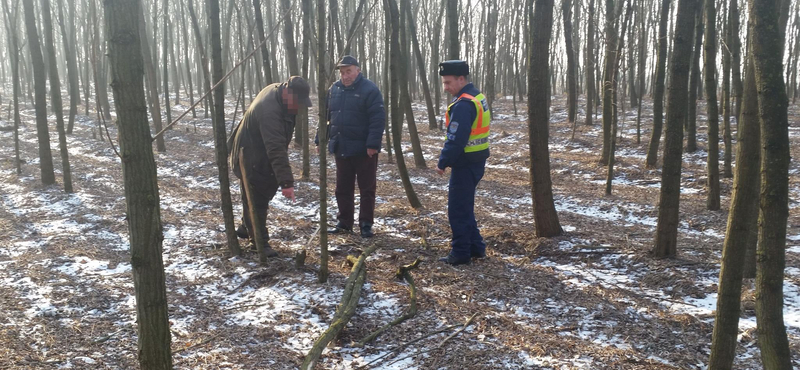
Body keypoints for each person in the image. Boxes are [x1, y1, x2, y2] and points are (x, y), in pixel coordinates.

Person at [229, 76, 312, 257]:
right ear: (288, 93)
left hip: (256, 150)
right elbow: (276, 149)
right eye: (297, 102)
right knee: (257, 194)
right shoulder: (270, 112)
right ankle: (259, 242)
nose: (299, 107)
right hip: (249, 154)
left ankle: (246, 226)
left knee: (255, 191)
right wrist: (287, 182)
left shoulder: (280, 94)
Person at [318, 55, 386, 238]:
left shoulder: (370, 90)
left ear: (358, 70)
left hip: (364, 150)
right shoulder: (334, 90)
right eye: (342, 72)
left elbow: (378, 120)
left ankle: (365, 223)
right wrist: (321, 140)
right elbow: (326, 117)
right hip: (341, 147)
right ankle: (344, 222)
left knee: (367, 188)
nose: (345, 75)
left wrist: (372, 144)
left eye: (349, 71)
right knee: (342, 188)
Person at [436, 60, 490, 266]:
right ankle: (476, 247)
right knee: (465, 207)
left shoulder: (464, 105)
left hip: (465, 163)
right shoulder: (477, 96)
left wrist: (443, 161)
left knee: (457, 209)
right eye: (443, 83)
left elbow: (456, 139)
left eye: (448, 83)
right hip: (476, 160)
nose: (446, 88)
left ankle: (460, 252)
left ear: (461, 79)